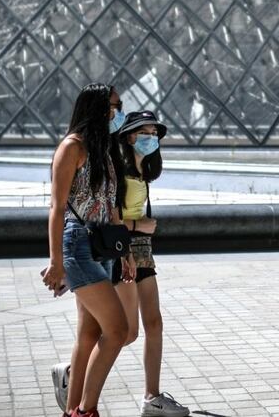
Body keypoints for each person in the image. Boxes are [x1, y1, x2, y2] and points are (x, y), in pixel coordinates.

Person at [42, 83, 135, 417]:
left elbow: (111, 209)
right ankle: (86, 409)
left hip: (103, 246)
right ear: (95, 108)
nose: (118, 112)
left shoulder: (103, 150)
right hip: (78, 245)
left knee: (89, 334)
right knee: (118, 330)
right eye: (113, 106)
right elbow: (57, 207)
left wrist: (125, 252)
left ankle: (72, 411)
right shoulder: (72, 148)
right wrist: (56, 262)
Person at [115, 110, 189, 417]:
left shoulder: (143, 168)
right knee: (127, 332)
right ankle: (73, 370)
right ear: (130, 136)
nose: (152, 139)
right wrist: (139, 228)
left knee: (154, 323)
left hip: (142, 249)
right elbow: (111, 217)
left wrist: (140, 233)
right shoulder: (118, 169)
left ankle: (152, 397)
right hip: (123, 249)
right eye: (145, 134)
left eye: (155, 134)